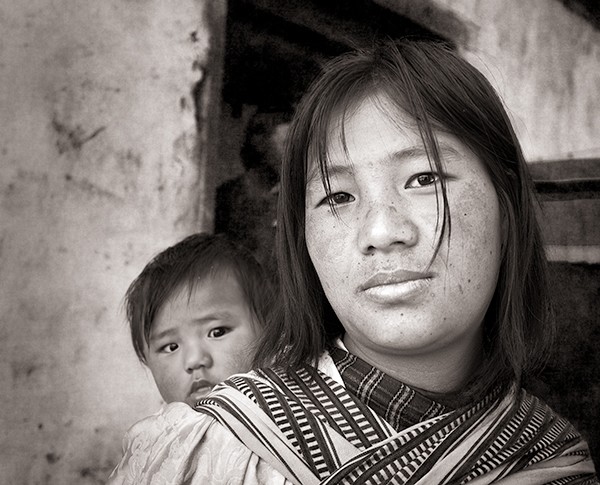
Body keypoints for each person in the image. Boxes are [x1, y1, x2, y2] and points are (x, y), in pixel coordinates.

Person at [109, 40, 598, 484]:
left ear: (506, 202)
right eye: (338, 195)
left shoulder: (555, 463)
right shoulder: (207, 452)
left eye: (424, 178)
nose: (381, 232)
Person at [121, 232, 274, 408]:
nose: (194, 360)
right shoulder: (159, 434)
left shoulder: (294, 417)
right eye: (171, 347)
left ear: (271, 331)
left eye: (217, 332)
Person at [214, 111, 290, 270]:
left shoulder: (293, 198)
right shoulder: (228, 197)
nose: (292, 154)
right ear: (260, 144)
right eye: (286, 144)